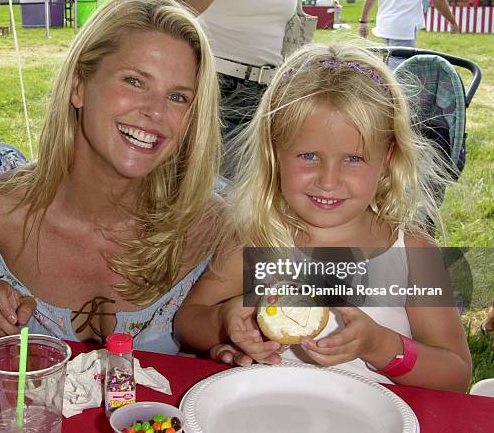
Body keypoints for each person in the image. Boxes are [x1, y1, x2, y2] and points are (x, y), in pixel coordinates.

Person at [0, 0, 223, 355]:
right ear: (78, 86)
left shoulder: (213, 227)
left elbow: (300, 299)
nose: (156, 111)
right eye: (135, 81)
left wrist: (243, 330)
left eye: (178, 96)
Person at [174, 44, 472, 392]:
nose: (328, 180)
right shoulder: (258, 241)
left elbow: (455, 375)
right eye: (309, 155)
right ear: (275, 152)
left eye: (354, 159)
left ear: (388, 158)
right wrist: (225, 324)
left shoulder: (412, 253)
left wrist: (381, 346)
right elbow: (187, 322)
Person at [169, 0, 302, 172]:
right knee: (215, 191)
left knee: (252, 194)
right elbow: (174, 5)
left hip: (270, 96)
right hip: (217, 89)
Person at [358, 0, 459, 69]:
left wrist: (363, 22)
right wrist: (452, 21)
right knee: (399, 75)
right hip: (403, 28)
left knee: (388, 71)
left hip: (384, 26)